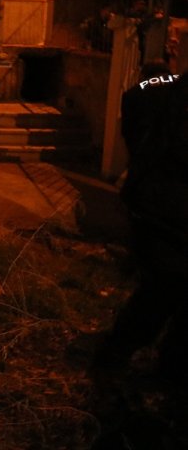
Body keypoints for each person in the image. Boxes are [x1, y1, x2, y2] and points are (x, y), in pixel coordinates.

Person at [94, 61, 188, 382]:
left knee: (163, 291)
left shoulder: (151, 92)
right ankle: (119, 360)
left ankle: (162, 369)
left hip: (156, 205)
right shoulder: (168, 91)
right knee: (162, 291)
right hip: (168, 214)